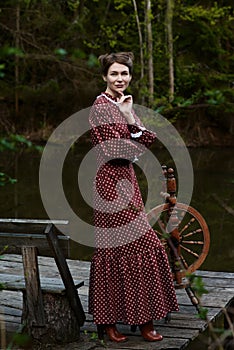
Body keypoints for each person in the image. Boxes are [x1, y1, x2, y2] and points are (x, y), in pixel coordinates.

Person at [88, 52, 178, 343]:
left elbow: (147, 140)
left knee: (130, 249)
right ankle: (112, 322)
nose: (120, 79)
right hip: (109, 186)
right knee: (134, 246)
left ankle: (136, 321)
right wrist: (134, 145)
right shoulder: (100, 107)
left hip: (128, 184)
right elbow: (117, 153)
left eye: (124, 74)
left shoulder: (124, 104)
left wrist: (128, 116)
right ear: (105, 77)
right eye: (114, 74)